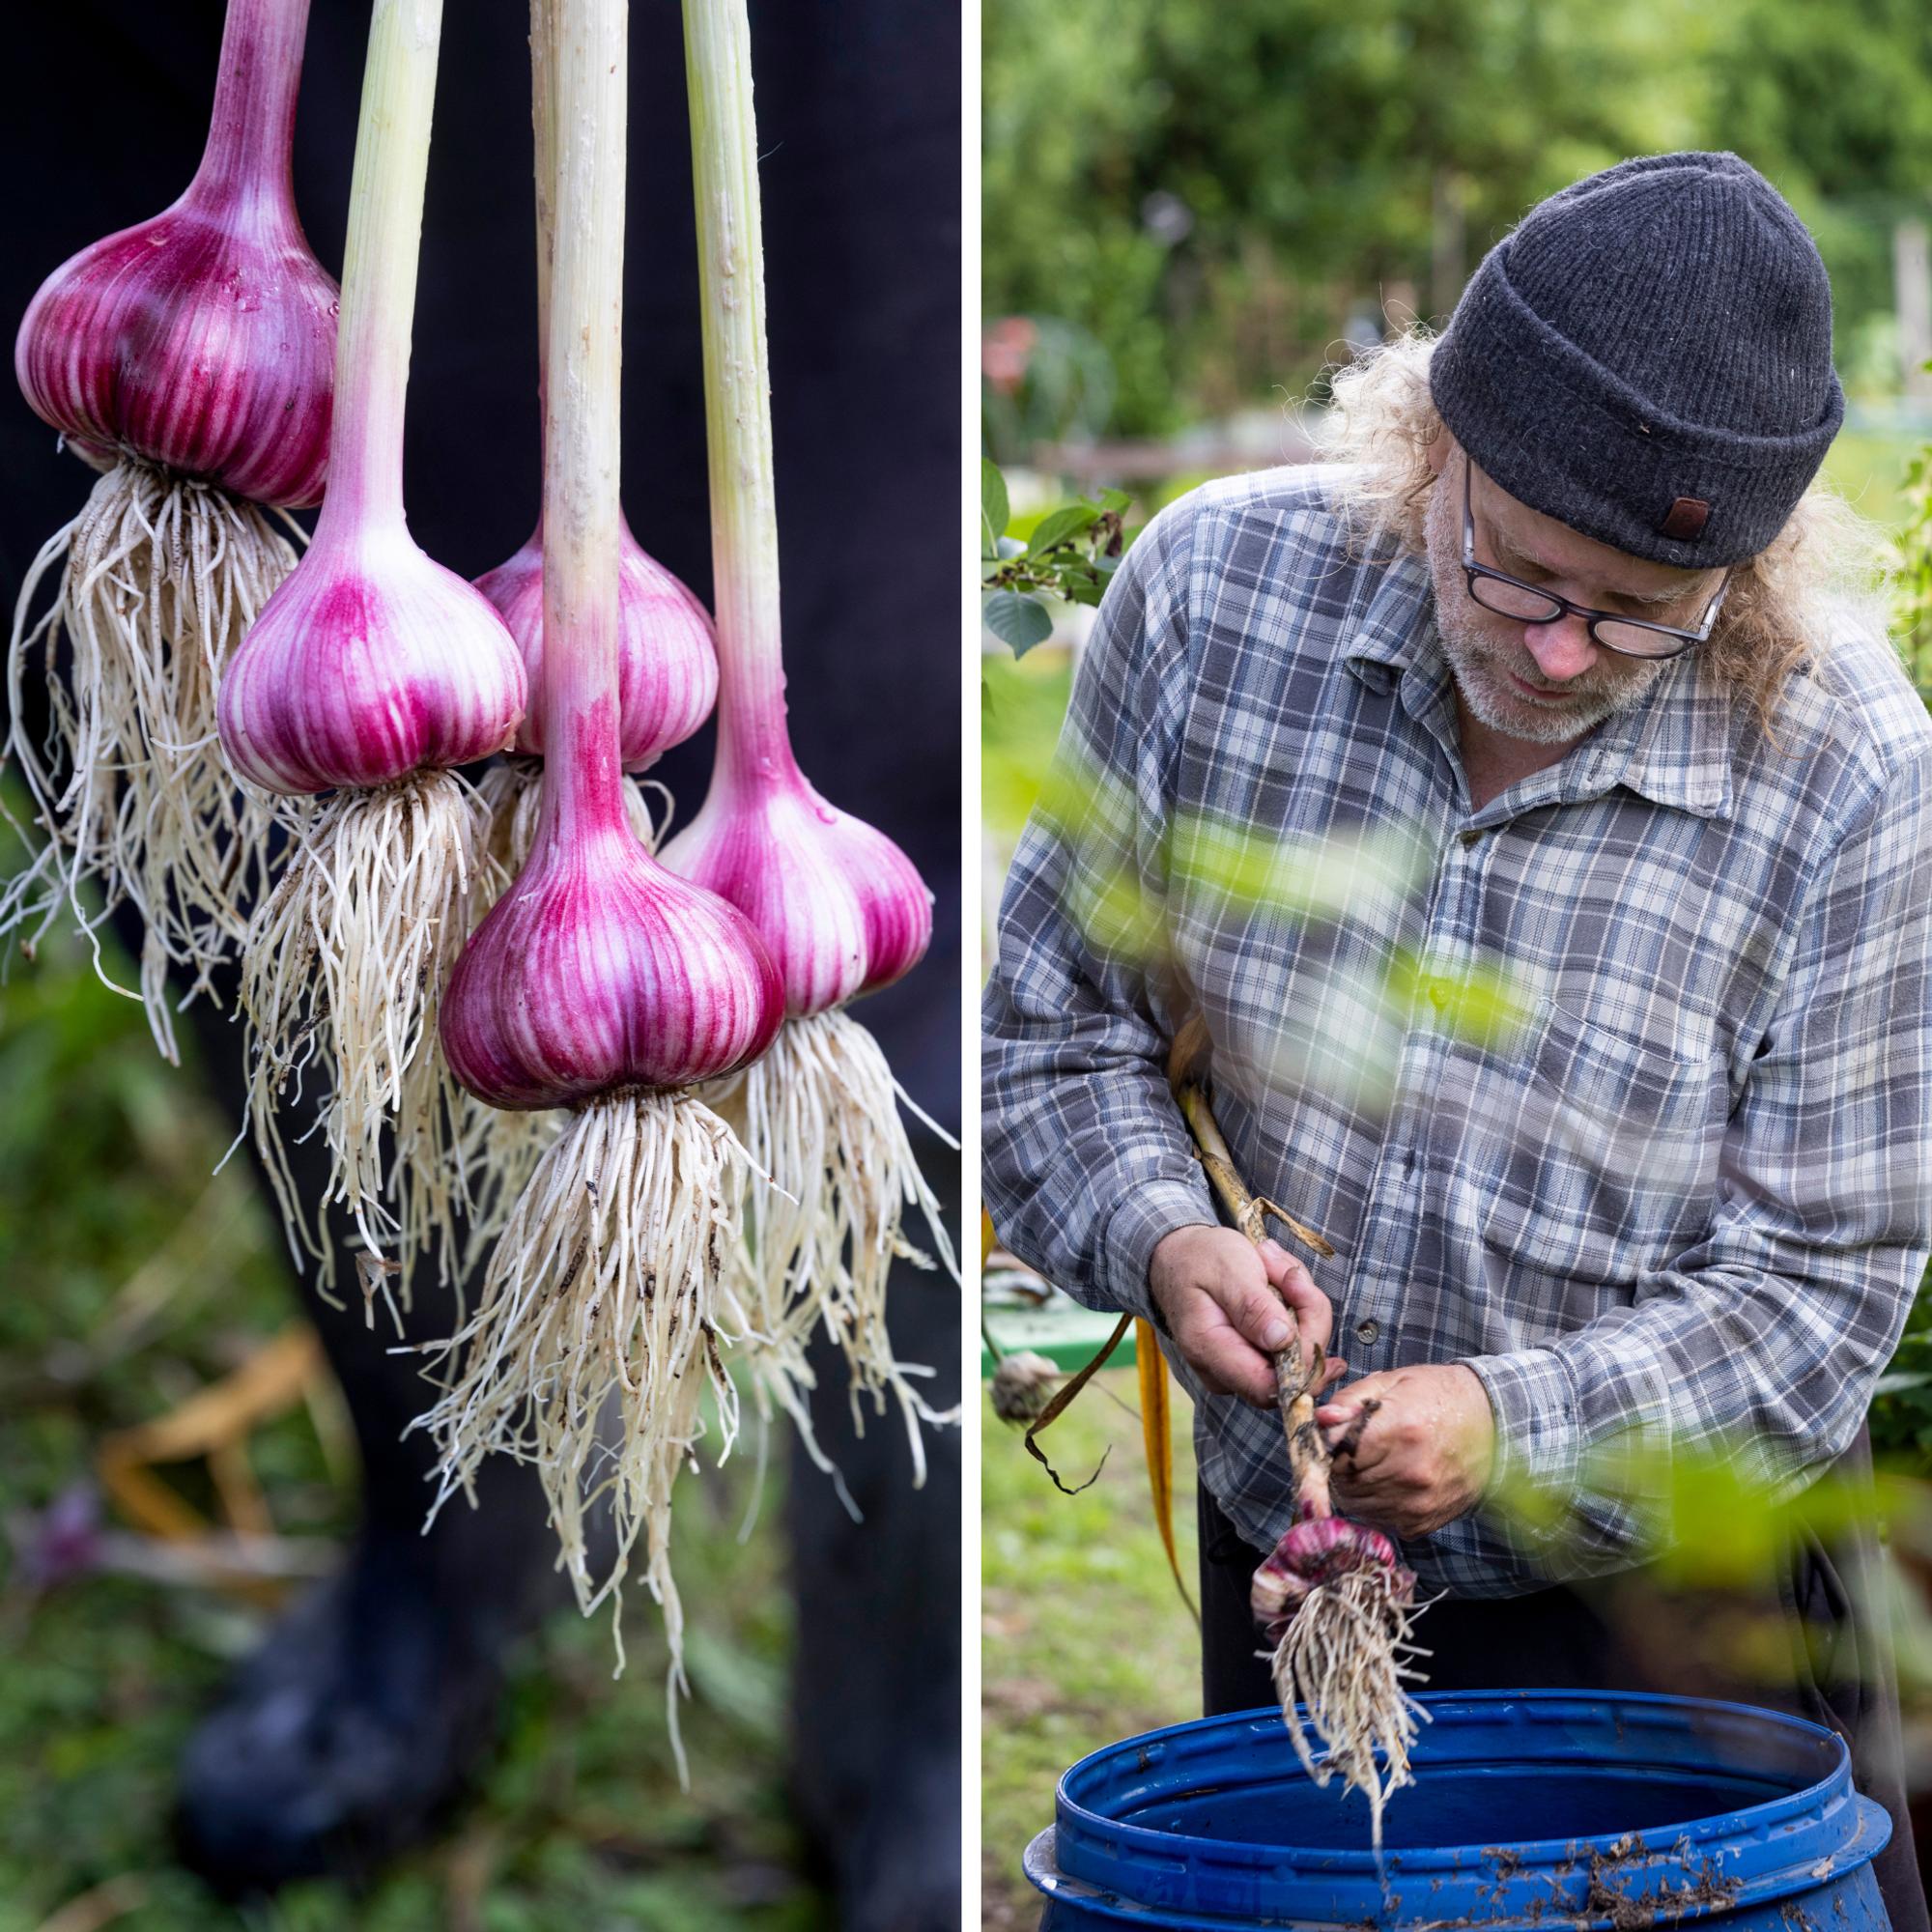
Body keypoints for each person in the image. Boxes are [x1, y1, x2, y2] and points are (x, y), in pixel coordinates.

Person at [982, 152, 1932, 1925]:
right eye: (1518, 579)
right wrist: (1162, 1234)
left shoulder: (1851, 772)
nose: (1564, 655)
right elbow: (1050, 1036)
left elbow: (1826, 1284)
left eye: (1643, 614)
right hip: (1313, 1586)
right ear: (1431, 447)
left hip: (1681, 1637)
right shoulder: (1211, 605)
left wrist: (1515, 1424)